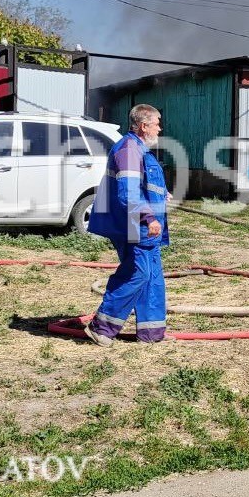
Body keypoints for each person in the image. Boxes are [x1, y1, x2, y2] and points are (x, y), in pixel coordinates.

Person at [83, 104, 170, 346]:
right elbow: (128, 193)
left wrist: (162, 193)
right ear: (144, 126)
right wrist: (148, 217)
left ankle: (151, 333)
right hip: (134, 225)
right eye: (156, 123)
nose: (160, 128)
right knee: (137, 273)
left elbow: (142, 185)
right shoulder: (129, 150)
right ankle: (101, 328)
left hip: (143, 226)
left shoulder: (139, 150)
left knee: (152, 276)